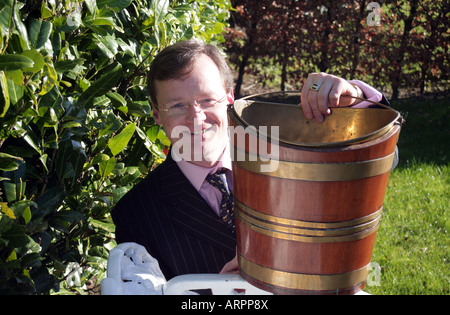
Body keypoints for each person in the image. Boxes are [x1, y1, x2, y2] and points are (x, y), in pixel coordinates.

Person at [111, 39, 390, 280]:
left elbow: (377, 161)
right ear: (158, 115)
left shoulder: (280, 151)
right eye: (177, 105)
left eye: (207, 100)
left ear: (230, 98)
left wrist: (354, 102)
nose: (195, 118)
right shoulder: (136, 214)